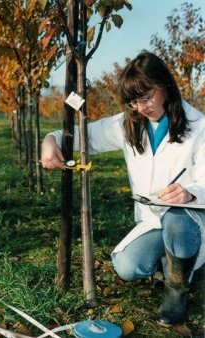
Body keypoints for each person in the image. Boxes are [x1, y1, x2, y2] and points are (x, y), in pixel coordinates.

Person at [41, 52, 205, 326]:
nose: (140, 108)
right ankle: (173, 261)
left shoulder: (199, 126)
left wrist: (190, 193)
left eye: (146, 98)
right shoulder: (129, 122)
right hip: (152, 220)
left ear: (164, 85)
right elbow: (82, 135)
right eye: (132, 101)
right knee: (127, 267)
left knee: (178, 219)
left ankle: (178, 290)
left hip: (189, 219)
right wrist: (50, 139)